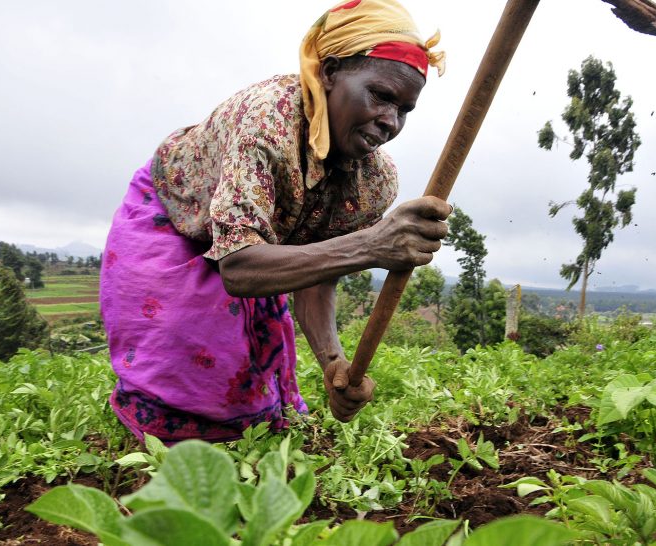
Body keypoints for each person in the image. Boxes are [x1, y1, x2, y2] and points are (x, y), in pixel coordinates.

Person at [99, 0, 451, 443]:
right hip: (176, 213)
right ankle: (157, 451)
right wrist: (371, 245)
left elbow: (318, 273)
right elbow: (240, 268)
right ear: (329, 72)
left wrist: (333, 364)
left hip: (255, 240)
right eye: (380, 96)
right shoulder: (267, 122)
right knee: (184, 353)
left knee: (249, 394)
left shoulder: (374, 181)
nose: (390, 121)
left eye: (404, 109)